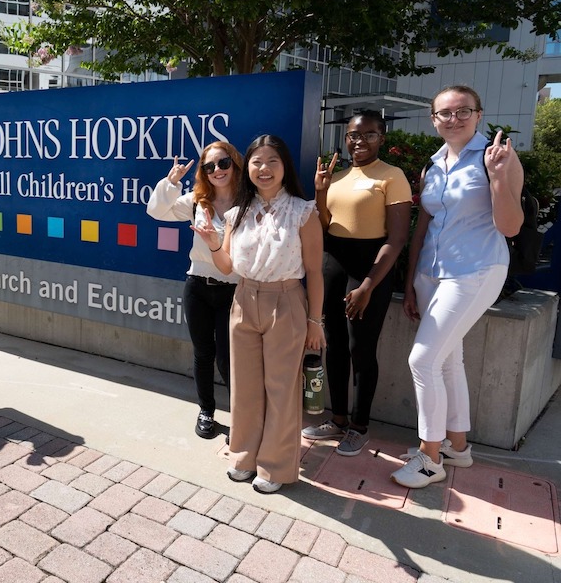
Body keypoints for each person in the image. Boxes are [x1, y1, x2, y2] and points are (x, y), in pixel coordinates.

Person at [393, 86, 524, 488]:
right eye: (444, 113)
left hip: (475, 269)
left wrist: (500, 178)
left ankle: (430, 460)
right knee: (448, 360)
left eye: (463, 111)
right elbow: (425, 224)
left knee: (423, 360)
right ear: (433, 119)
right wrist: (412, 281)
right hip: (432, 271)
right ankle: (457, 447)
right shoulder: (432, 165)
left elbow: (511, 227)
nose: (454, 118)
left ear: (478, 114)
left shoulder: (497, 158)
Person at [195, 134, 325, 494]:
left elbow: (314, 271)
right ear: (246, 167)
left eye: (272, 161)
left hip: (286, 301)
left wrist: (316, 321)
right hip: (244, 298)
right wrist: (212, 243)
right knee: (245, 387)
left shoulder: (303, 211)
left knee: (282, 389)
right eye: (256, 161)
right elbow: (227, 267)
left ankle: (276, 466)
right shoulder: (237, 213)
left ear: (284, 166)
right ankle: (243, 457)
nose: (263, 169)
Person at [301, 112, 411, 456]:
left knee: (360, 348)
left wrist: (367, 286)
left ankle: (359, 426)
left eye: (369, 135)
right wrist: (320, 192)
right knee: (331, 343)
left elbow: (397, 239)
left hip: (370, 268)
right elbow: (324, 225)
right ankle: (337, 419)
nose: (359, 141)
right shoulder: (339, 176)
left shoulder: (392, 177)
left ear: (382, 137)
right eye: (353, 135)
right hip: (333, 263)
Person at [147, 141, 243, 439]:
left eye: (223, 163)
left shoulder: (250, 201)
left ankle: (241, 417)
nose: (217, 171)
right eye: (209, 166)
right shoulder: (197, 201)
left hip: (234, 290)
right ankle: (206, 411)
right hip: (198, 286)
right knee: (203, 353)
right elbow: (157, 212)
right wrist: (171, 182)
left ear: (235, 163)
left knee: (230, 358)